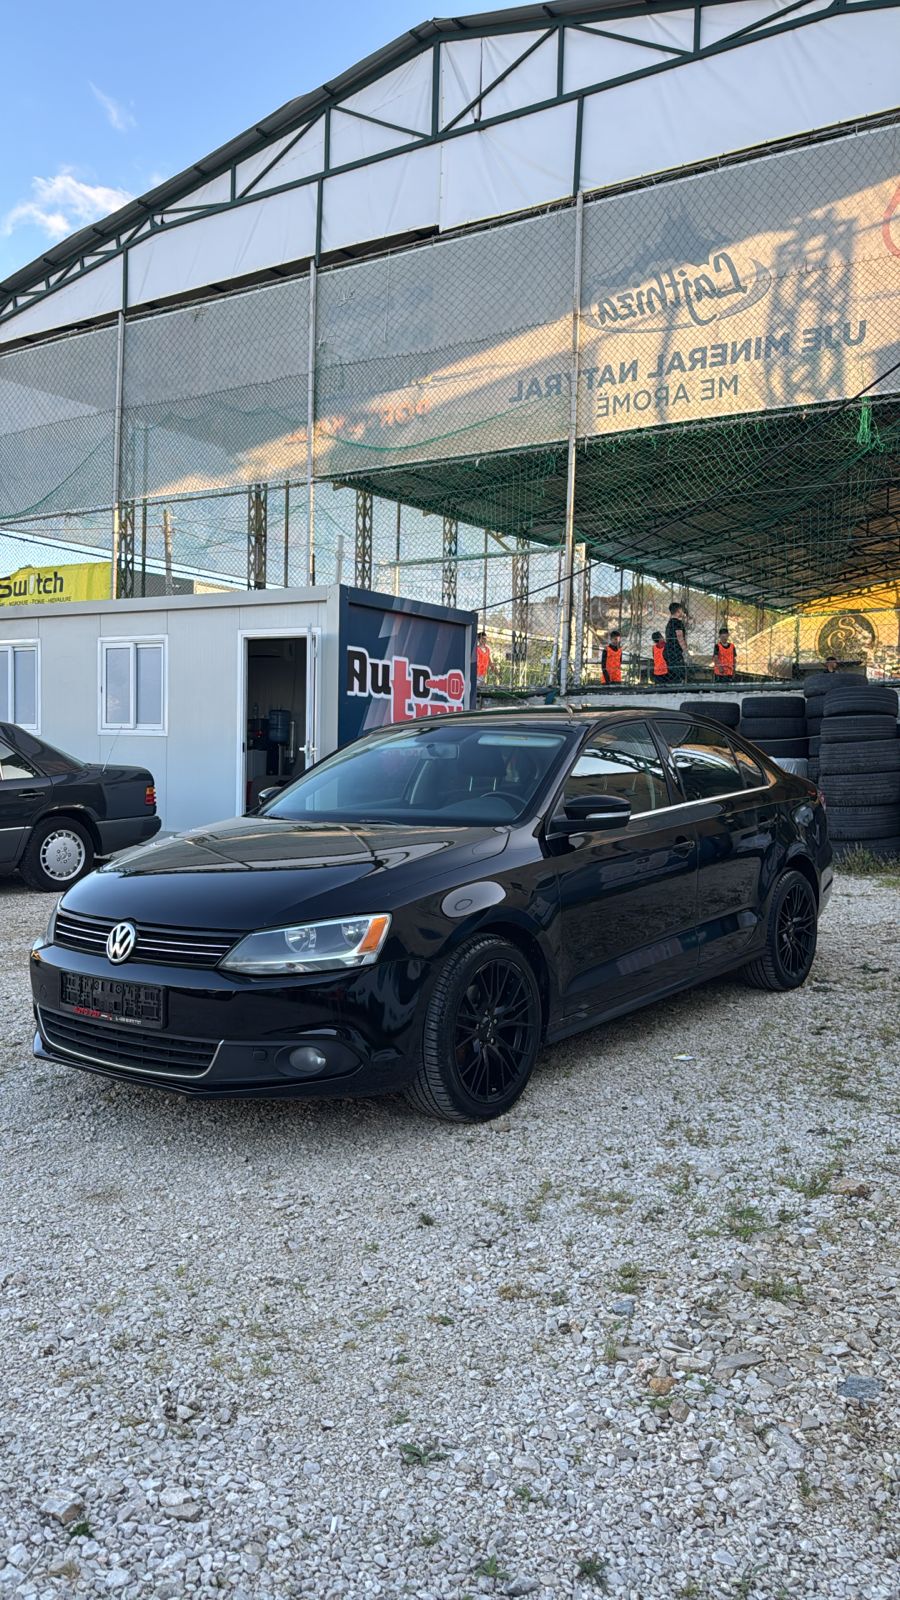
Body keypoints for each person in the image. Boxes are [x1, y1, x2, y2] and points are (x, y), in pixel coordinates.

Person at [664, 601, 688, 683]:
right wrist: (686, 650)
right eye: (682, 610)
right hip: (675, 652)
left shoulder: (669, 623)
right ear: (678, 611)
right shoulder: (678, 622)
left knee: (672, 675)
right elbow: (680, 637)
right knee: (679, 675)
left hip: (669, 651)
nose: (683, 612)